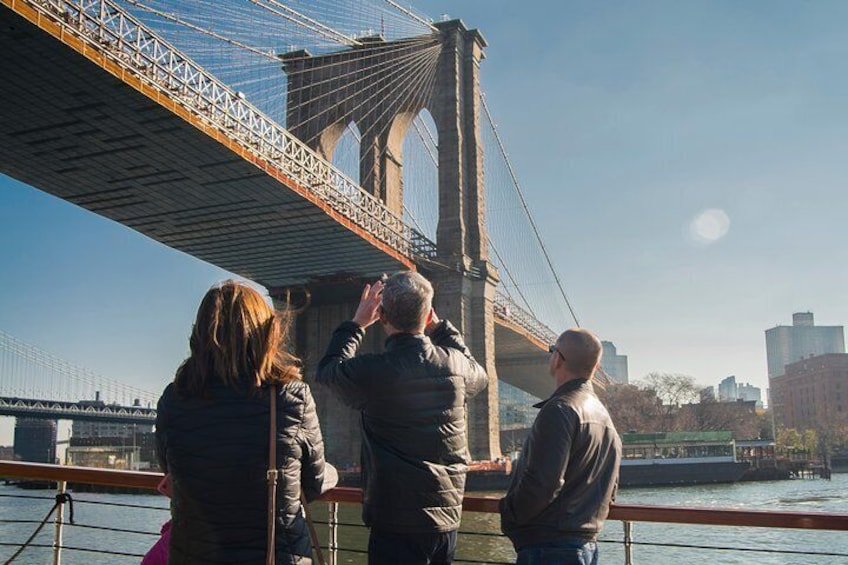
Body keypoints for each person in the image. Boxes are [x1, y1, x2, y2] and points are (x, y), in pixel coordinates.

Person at [155, 281, 337, 564]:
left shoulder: (175, 398)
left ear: (200, 333)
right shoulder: (291, 397)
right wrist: (333, 473)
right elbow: (312, 484)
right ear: (265, 332)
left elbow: (171, 469)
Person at [315, 271, 488, 565]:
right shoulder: (457, 366)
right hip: (446, 518)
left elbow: (328, 371)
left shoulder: (374, 372)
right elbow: (480, 375)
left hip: (394, 520)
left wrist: (356, 324)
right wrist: (439, 327)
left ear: (381, 315)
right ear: (428, 313)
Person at [499, 328, 621, 565]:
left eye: (552, 350)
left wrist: (509, 514)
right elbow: (611, 489)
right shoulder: (605, 418)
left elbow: (543, 482)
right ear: (594, 368)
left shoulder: (559, 410)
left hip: (549, 547)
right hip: (585, 545)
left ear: (557, 359)